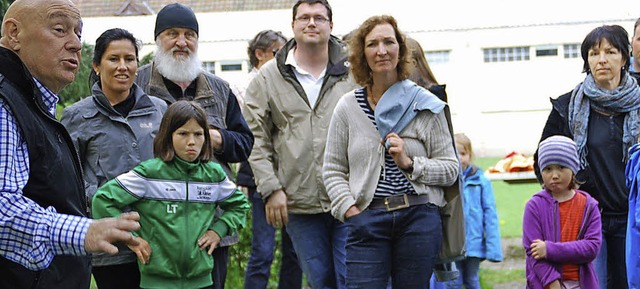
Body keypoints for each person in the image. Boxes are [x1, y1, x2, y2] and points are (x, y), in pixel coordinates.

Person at [0, 0, 142, 288]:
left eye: (78, 32)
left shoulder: (33, 103)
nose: (76, 44)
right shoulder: (5, 102)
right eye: (59, 29)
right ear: (13, 33)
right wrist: (84, 232)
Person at [322, 15, 460, 288]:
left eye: (389, 42)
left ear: (401, 50)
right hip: (367, 219)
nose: (382, 50)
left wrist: (410, 163)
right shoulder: (347, 107)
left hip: (418, 218)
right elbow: (333, 170)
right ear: (362, 54)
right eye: (373, 44)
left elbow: (450, 169)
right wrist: (351, 212)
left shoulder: (426, 105)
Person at [134, 3, 254, 289]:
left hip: (210, 225)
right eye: (172, 33)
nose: (181, 42)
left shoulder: (220, 89)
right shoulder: (136, 84)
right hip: (155, 226)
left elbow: (245, 143)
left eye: (189, 34)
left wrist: (214, 138)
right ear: (157, 39)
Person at [242, 0, 358, 287]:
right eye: (304, 17)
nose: (311, 23)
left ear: (331, 25)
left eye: (319, 18)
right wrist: (271, 189)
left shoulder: (355, 70)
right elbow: (254, 136)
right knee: (320, 280)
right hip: (298, 202)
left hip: (351, 198)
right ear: (293, 25)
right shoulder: (270, 76)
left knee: (351, 279)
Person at [91, 100, 250, 289]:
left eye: (198, 134)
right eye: (183, 134)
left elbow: (240, 206)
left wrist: (219, 230)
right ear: (168, 136)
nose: (191, 141)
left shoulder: (213, 175)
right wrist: (131, 240)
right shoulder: (149, 174)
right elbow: (102, 200)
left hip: (203, 281)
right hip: (155, 282)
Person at [534, 24, 640, 289]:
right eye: (593, 53)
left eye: (610, 51)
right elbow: (542, 160)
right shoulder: (568, 106)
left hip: (633, 219)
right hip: (588, 218)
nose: (601, 59)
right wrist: (569, 189)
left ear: (624, 58)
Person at [60, 28, 167, 289]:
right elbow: (68, 180)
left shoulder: (160, 110)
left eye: (129, 59)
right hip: (110, 243)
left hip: (160, 238)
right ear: (96, 65)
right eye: (113, 59)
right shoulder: (76, 116)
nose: (123, 66)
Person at [240, 30, 303, 289]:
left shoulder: (291, 82)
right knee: (263, 250)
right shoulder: (246, 87)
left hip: (293, 176)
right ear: (260, 54)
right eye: (277, 53)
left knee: (294, 251)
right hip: (260, 179)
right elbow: (250, 135)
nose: (283, 58)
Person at [525, 135, 601, 289]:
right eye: (548, 169)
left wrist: (549, 249)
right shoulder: (534, 206)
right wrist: (553, 284)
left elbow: (592, 247)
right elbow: (533, 253)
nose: (554, 175)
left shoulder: (589, 205)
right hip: (546, 284)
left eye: (561, 167)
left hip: (582, 283)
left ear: (573, 169)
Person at [451, 133, 503, 289]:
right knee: (453, 281)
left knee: (472, 279)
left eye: (463, 153)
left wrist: (493, 248)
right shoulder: (446, 181)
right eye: (455, 153)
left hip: (473, 242)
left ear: (470, 155)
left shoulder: (481, 182)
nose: (459, 158)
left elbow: (490, 213)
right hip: (453, 242)